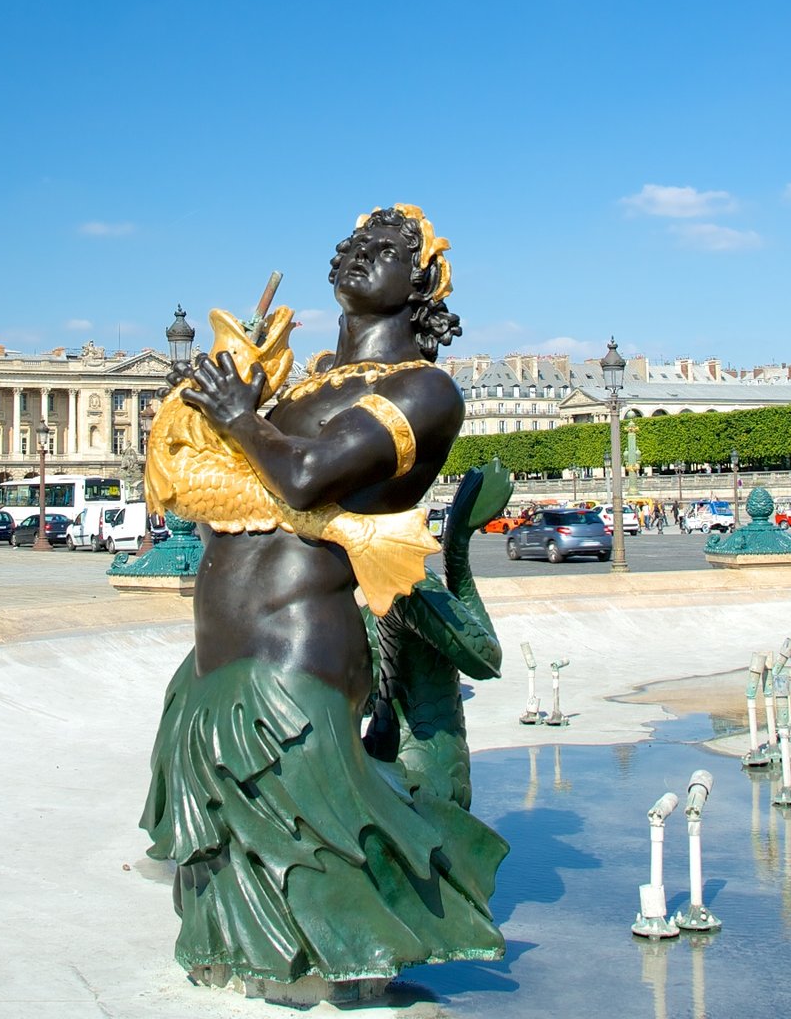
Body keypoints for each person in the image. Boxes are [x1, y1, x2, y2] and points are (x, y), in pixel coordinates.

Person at [141, 205, 501, 992]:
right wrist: (214, 407)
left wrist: (240, 415)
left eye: (383, 247)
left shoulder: (424, 390)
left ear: (424, 284)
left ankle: (352, 969)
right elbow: (225, 486)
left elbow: (305, 477)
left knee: (310, 854)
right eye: (351, 242)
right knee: (237, 868)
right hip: (220, 651)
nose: (356, 252)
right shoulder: (303, 389)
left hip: (297, 649)